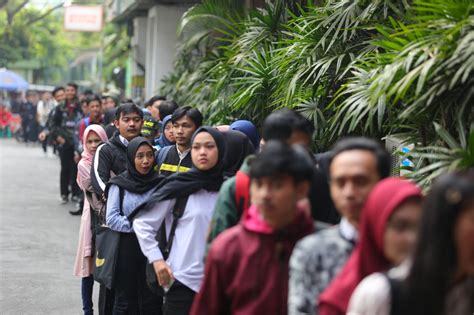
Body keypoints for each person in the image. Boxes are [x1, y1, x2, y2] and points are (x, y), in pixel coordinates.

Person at [191, 140, 315, 314]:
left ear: (301, 189)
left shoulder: (321, 244)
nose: (265, 195)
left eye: (276, 185)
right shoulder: (228, 248)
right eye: (258, 185)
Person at [206, 109, 336, 252]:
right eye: (292, 148)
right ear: (266, 144)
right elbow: (215, 252)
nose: (300, 155)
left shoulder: (315, 182)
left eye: (304, 148)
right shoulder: (237, 187)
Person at [288, 137, 391, 315]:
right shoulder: (311, 250)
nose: (349, 193)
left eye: (360, 181)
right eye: (340, 183)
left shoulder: (404, 246)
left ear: (382, 182)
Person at [348, 171, 474, 315]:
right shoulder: (380, 294)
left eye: (418, 225)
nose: (412, 238)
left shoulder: (464, 290)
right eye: (401, 226)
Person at [132, 127, 226, 315]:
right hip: (182, 282)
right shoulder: (179, 186)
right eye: (197, 147)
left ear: (221, 150)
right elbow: (143, 224)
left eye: (209, 146)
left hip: (220, 285)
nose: (202, 152)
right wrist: (157, 261)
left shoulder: (228, 189)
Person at [318, 178, 422, 315]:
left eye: (421, 227)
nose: (412, 238)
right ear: (376, 227)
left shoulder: (438, 284)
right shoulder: (338, 302)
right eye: (400, 226)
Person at [90, 102, 144, 315]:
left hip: (140, 226)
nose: (132, 124)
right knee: (110, 279)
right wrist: (120, 204)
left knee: (136, 282)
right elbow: (99, 182)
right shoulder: (106, 149)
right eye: (127, 120)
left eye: (136, 120)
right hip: (111, 224)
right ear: (116, 122)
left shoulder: (147, 149)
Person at [105, 137, 163, 314]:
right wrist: (141, 225)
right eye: (139, 156)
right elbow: (112, 218)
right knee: (125, 300)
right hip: (127, 248)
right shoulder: (120, 184)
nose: (145, 161)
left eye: (149, 155)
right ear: (131, 158)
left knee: (152, 299)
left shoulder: (161, 183)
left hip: (154, 249)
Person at [73, 124, 109, 314]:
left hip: (108, 215)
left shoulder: (108, 158)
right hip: (92, 217)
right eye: (90, 141)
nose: (94, 145)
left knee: (107, 264)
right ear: (84, 143)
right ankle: (88, 310)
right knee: (88, 268)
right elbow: (99, 190)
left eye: (98, 140)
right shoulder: (84, 164)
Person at [49, 83, 83, 204]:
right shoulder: (59, 108)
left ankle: (75, 193)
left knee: (76, 168)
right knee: (65, 168)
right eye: (67, 90)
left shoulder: (81, 106)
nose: (69, 92)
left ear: (76, 91)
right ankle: (64, 193)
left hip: (77, 142)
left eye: (72, 90)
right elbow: (52, 125)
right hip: (64, 142)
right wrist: (58, 138)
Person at [156, 106, 202, 177]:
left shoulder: (202, 158)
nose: (179, 131)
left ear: (197, 129)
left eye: (186, 126)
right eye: (176, 126)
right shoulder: (161, 155)